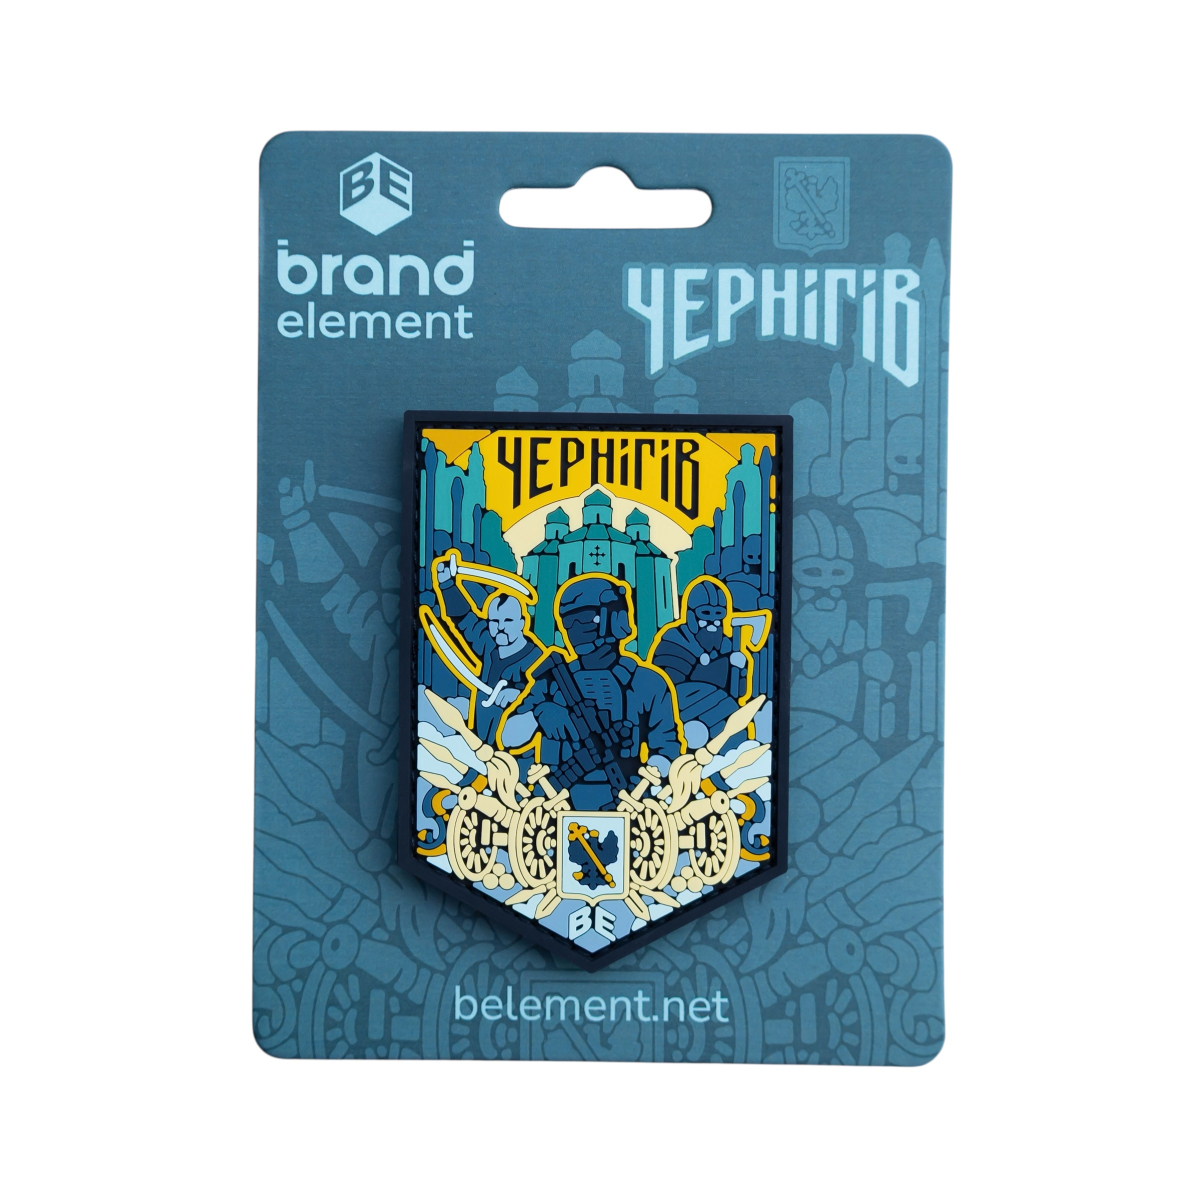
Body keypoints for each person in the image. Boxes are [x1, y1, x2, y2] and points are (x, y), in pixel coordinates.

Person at [501, 576, 681, 809]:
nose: (575, 630)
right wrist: (539, 714)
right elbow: (508, 737)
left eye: (584, 619)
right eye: (569, 622)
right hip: (555, 804)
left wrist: (644, 787)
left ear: (612, 618)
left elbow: (667, 751)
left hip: (626, 802)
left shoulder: (646, 683)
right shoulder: (553, 680)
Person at [435, 556, 543, 744]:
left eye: (508, 621)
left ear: (522, 623)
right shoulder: (489, 644)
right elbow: (465, 618)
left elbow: (547, 696)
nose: (500, 627)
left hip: (513, 750)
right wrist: (447, 585)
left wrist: (520, 695)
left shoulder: (537, 659)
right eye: (494, 621)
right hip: (479, 741)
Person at [650, 578, 746, 748]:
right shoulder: (673, 640)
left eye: (718, 614)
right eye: (706, 613)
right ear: (691, 614)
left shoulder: (727, 645)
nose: (712, 620)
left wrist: (740, 670)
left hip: (722, 717)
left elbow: (739, 692)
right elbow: (665, 689)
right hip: (680, 718)